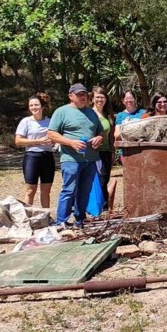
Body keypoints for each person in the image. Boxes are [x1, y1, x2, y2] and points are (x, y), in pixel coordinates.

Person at [47, 84, 105, 228]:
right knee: (69, 190)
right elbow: (51, 134)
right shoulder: (62, 112)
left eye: (84, 94)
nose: (82, 97)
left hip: (90, 159)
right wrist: (71, 143)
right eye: (78, 94)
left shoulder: (91, 112)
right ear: (70, 96)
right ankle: (62, 221)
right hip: (71, 159)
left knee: (85, 191)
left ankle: (80, 220)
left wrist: (99, 138)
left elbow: (101, 131)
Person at [15, 93, 55, 209]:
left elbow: (56, 137)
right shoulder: (26, 121)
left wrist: (53, 141)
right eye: (31, 105)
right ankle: (27, 215)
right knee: (30, 190)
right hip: (32, 157)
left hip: (47, 156)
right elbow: (18, 141)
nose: (34, 107)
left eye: (36, 105)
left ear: (43, 107)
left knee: (46, 190)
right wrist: (38, 141)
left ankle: (46, 215)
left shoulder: (50, 121)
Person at [91, 86, 116, 208]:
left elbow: (111, 135)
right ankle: (98, 208)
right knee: (96, 181)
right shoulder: (89, 113)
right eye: (97, 97)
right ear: (92, 99)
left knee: (104, 180)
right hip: (93, 152)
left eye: (102, 97)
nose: (99, 100)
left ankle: (104, 208)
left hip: (106, 152)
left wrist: (113, 151)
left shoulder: (109, 115)